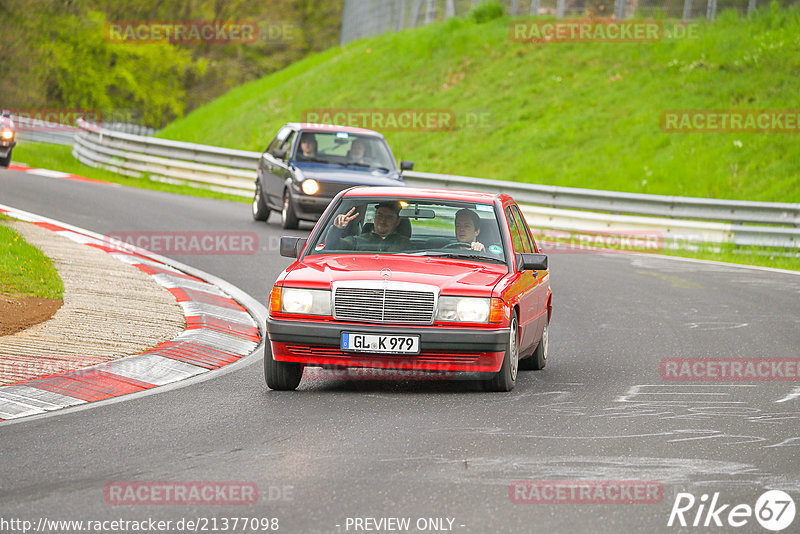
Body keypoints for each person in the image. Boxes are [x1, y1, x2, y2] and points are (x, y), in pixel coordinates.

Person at [326, 201, 410, 252]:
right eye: (379, 215)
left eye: (389, 217)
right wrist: (337, 228)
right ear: (374, 217)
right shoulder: (357, 241)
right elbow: (332, 246)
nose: (382, 221)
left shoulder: (407, 245)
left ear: (398, 221)